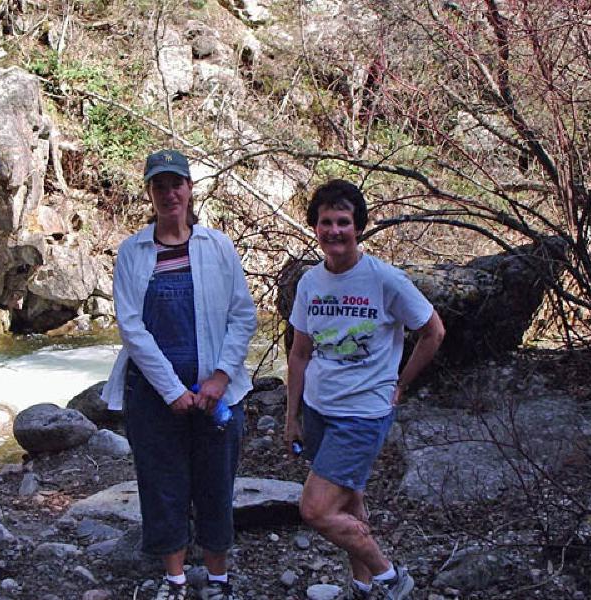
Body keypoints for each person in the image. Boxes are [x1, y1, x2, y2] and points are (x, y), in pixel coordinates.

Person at [101, 149, 257, 600]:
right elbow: (131, 326)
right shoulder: (133, 251)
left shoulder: (217, 247)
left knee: (215, 483)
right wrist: (170, 389)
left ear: (190, 189)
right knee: (161, 483)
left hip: (217, 390)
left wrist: (221, 377)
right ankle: (174, 582)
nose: (170, 194)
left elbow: (242, 317)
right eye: (159, 186)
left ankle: (219, 580)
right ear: (149, 193)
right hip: (152, 392)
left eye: (177, 184)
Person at [284, 180, 445, 600]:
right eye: (326, 222)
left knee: (316, 509)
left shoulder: (384, 279)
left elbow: (432, 331)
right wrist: (292, 415)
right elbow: (299, 353)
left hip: (362, 413)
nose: (334, 231)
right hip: (319, 408)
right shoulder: (310, 283)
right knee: (348, 501)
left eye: (343, 222)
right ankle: (362, 586)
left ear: (358, 228)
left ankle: (391, 577)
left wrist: (401, 383)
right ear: (315, 228)